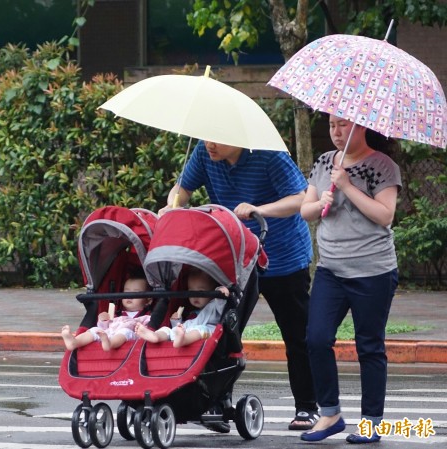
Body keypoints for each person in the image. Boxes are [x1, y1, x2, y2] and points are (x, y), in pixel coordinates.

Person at [160, 140, 318, 430]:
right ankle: (214, 403)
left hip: (283, 256)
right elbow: (182, 189)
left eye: (215, 139)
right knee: (220, 332)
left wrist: (259, 209)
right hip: (234, 258)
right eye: (206, 137)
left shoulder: (269, 155)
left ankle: (307, 407)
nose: (209, 144)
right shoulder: (204, 153)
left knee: (296, 334)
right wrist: (173, 205)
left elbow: (300, 198)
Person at [299, 115, 401, 444]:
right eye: (332, 125)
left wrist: (346, 187)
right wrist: (319, 204)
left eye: (344, 124)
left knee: (369, 346)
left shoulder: (383, 166)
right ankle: (330, 413)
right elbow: (305, 210)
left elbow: (385, 216)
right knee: (316, 339)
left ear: (362, 127)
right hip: (331, 269)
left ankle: (371, 421)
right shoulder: (325, 162)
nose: (336, 131)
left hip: (373, 271)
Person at [135, 267, 229, 348]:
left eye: (201, 291)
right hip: (187, 330)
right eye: (191, 292)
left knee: (201, 329)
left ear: (212, 291)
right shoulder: (192, 312)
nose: (195, 296)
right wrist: (176, 321)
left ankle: (183, 339)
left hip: (209, 331)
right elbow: (182, 326)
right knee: (167, 329)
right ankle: (156, 336)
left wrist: (220, 294)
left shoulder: (214, 304)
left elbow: (223, 308)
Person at [61, 275, 152, 351]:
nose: (129, 297)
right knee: (95, 330)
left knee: (125, 331)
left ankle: (110, 344)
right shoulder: (117, 313)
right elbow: (105, 328)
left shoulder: (147, 317)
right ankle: (74, 342)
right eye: (126, 292)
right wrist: (103, 321)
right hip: (109, 333)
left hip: (131, 336)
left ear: (148, 300)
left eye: (135, 294)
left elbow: (148, 331)